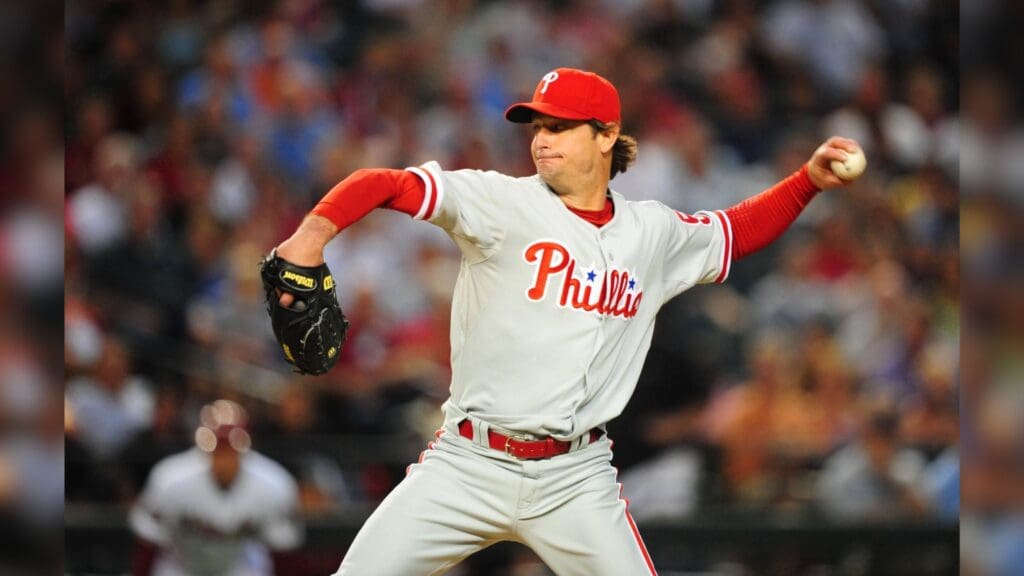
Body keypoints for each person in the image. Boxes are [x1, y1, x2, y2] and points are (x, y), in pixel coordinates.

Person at [272, 67, 861, 575]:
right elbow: (388, 183)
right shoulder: (500, 203)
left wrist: (807, 182)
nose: (542, 140)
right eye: (537, 127)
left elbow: (736, 230)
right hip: (468, 463)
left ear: (606, 136)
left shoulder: (651, 233)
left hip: (575, 477)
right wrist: (311, 236)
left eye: (559, 126)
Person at [129, 399, 303, 576]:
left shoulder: (274, 484)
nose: (224, 457)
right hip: (182, 566)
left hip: (240, 566)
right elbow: (148, 542)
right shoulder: (170, 480)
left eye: (230, 447)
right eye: (217, 447)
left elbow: (283, 550)